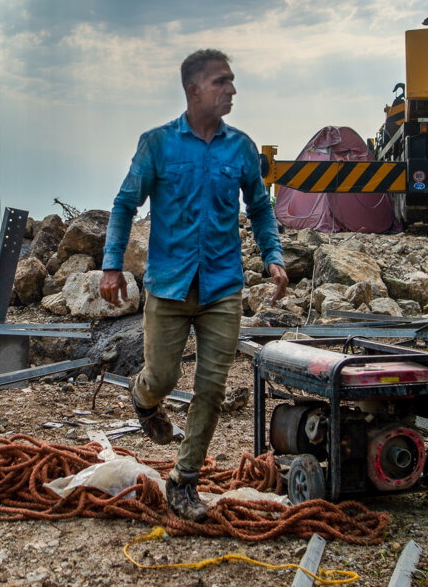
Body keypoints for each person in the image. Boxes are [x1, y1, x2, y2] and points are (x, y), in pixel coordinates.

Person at [100, 49, 288, 522]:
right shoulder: (158, 145)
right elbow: (124, 205)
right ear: (194, 90)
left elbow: (261, 209)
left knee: (212, 387)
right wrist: (111, 267)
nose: (232, 90)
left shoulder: (241, 149)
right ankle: (143, 398)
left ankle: (184, 481)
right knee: (162, 377)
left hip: (222, 287)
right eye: (222, 82)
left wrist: (273, 256)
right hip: (168, 287)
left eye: (232, 82)